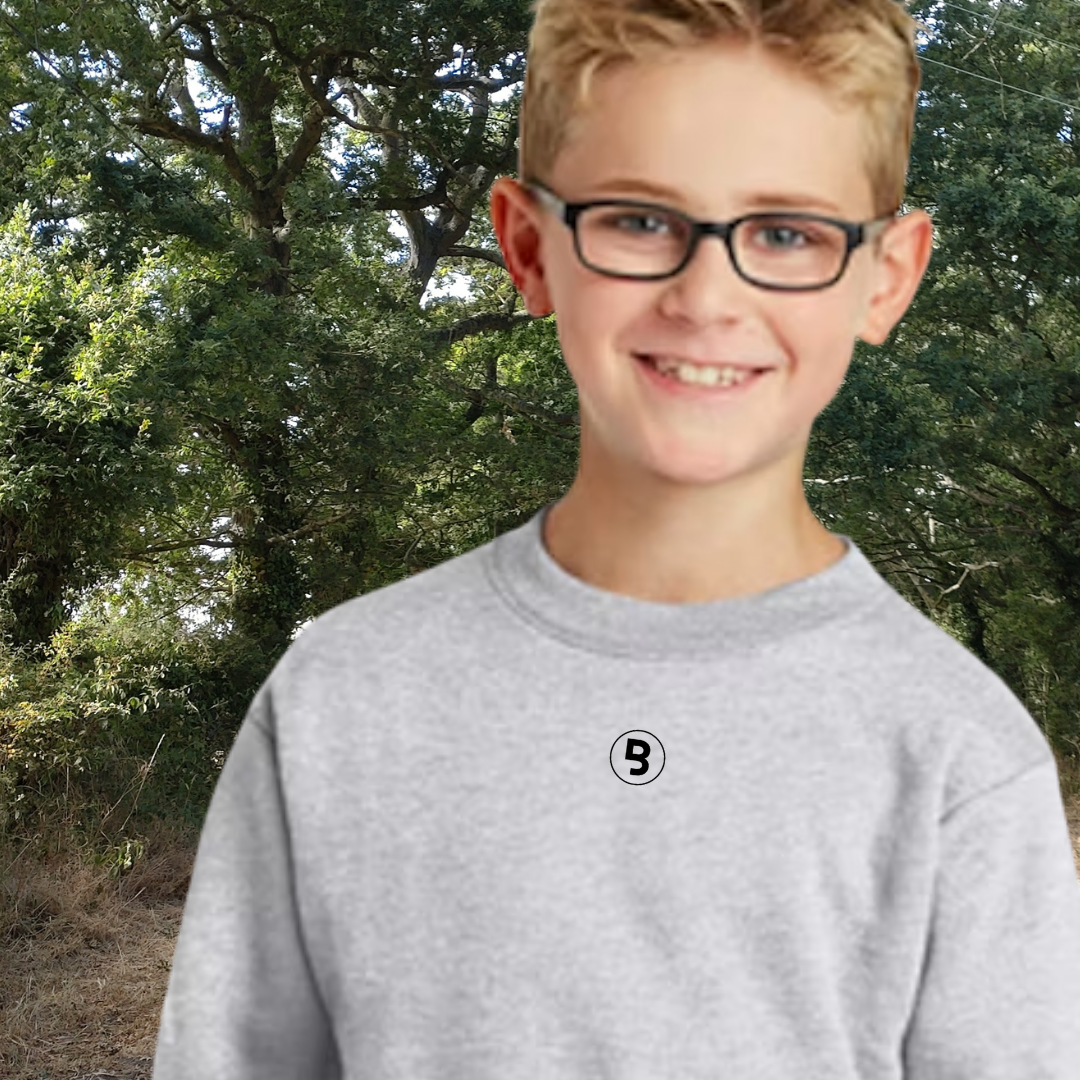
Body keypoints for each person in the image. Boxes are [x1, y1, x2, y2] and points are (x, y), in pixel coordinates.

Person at [151, 1, 1080, 1077]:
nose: (706, 297)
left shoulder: (961, 755)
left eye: (788, 233)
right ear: (528, 247)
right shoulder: (337, 701)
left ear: (887, 276)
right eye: (640, 219)